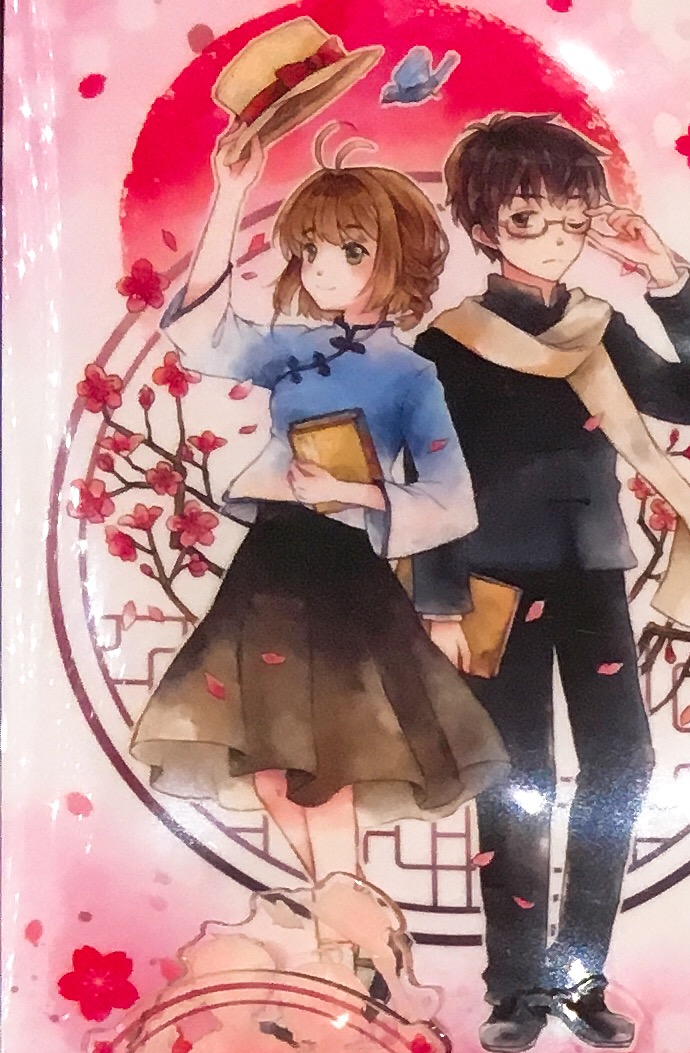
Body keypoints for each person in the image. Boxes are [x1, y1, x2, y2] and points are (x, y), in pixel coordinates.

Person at [132, 117, 504, 998]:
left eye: (350, 251)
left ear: (396, 258)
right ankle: (361, 938)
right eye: (311, 252)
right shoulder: (292, 348)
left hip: (342, 573)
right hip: (270, 563)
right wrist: (229, 196)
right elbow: (196, 330)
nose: (325, 269)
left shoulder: (409, 374)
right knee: (270, 770)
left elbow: (453, 497)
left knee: (321, 766)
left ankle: (349, 952)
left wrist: (360, 494)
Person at [413, 112, 690, 1053]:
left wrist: (668, 279)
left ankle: (579, 973)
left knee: (624, 766)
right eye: (529, 218)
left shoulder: (599, 329)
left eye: (574, 218)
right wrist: (437, 601)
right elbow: (428, 479)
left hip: (593, 573)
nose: (556, 238)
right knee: (514, 777)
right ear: (482, 226)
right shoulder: (448, 344)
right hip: (488, 582)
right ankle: (515, 987)